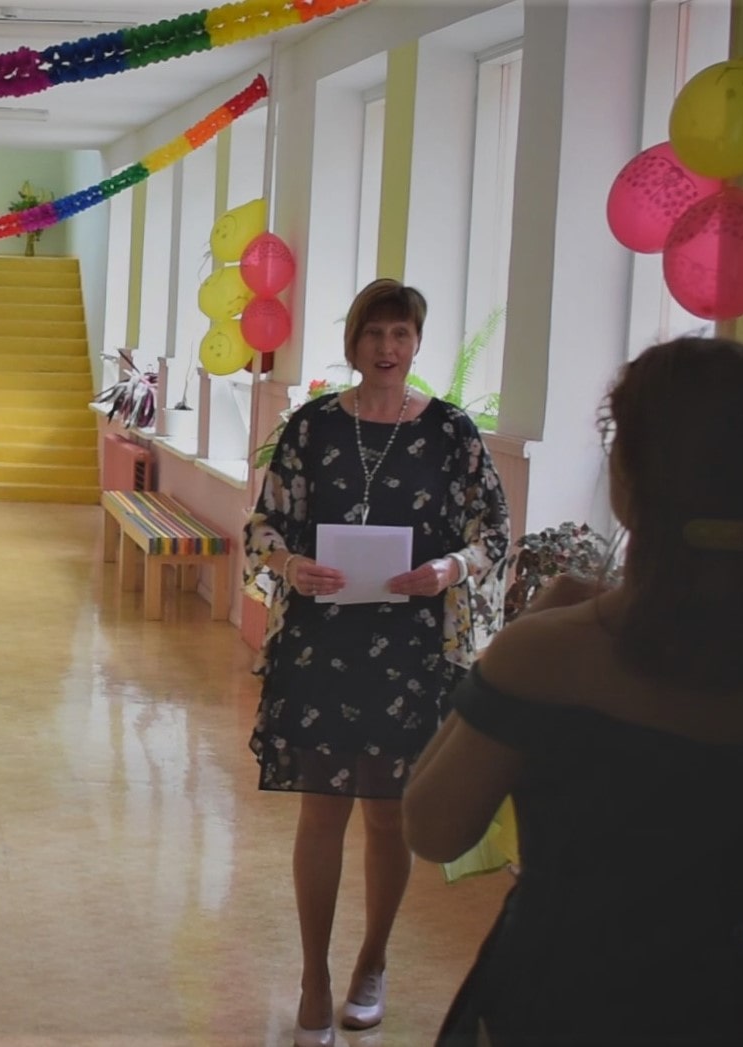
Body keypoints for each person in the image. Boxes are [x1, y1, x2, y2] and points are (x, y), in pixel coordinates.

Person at [408, 337, 743, 1046]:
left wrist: (520, 637)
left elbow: (432, 826)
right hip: (721, 1006)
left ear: (627, 477)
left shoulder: (553, 652)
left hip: (556, 998)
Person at [244, 279, 511, 1046]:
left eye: (400, 334)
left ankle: (370, 963)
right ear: (353, 342)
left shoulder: (450, 432)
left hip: (410, 648)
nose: (387, 349)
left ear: (416, 342)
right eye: (373, 334)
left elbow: (492, 531)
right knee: (321, 811)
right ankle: (313, 977)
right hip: (319, 642)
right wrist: (290, 565)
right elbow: (264, 526)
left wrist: (448, 569)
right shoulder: (312, 427)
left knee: (389, 813)